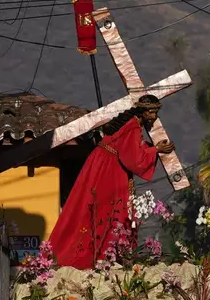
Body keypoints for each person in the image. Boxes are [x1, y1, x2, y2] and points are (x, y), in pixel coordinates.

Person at [49, 94, 175, 269]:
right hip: (109, 171)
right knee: (108, 209)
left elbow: (128, 149)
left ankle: (104, 252)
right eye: (151, 112)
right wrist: (156, 149)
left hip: (104, 165)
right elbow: (133, 159)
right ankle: (102, 254)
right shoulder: (133, 127)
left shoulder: (129, 124)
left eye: (156, 112)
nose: (153, 117)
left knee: (96, 208)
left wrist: (148, 147)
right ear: (142, 111)